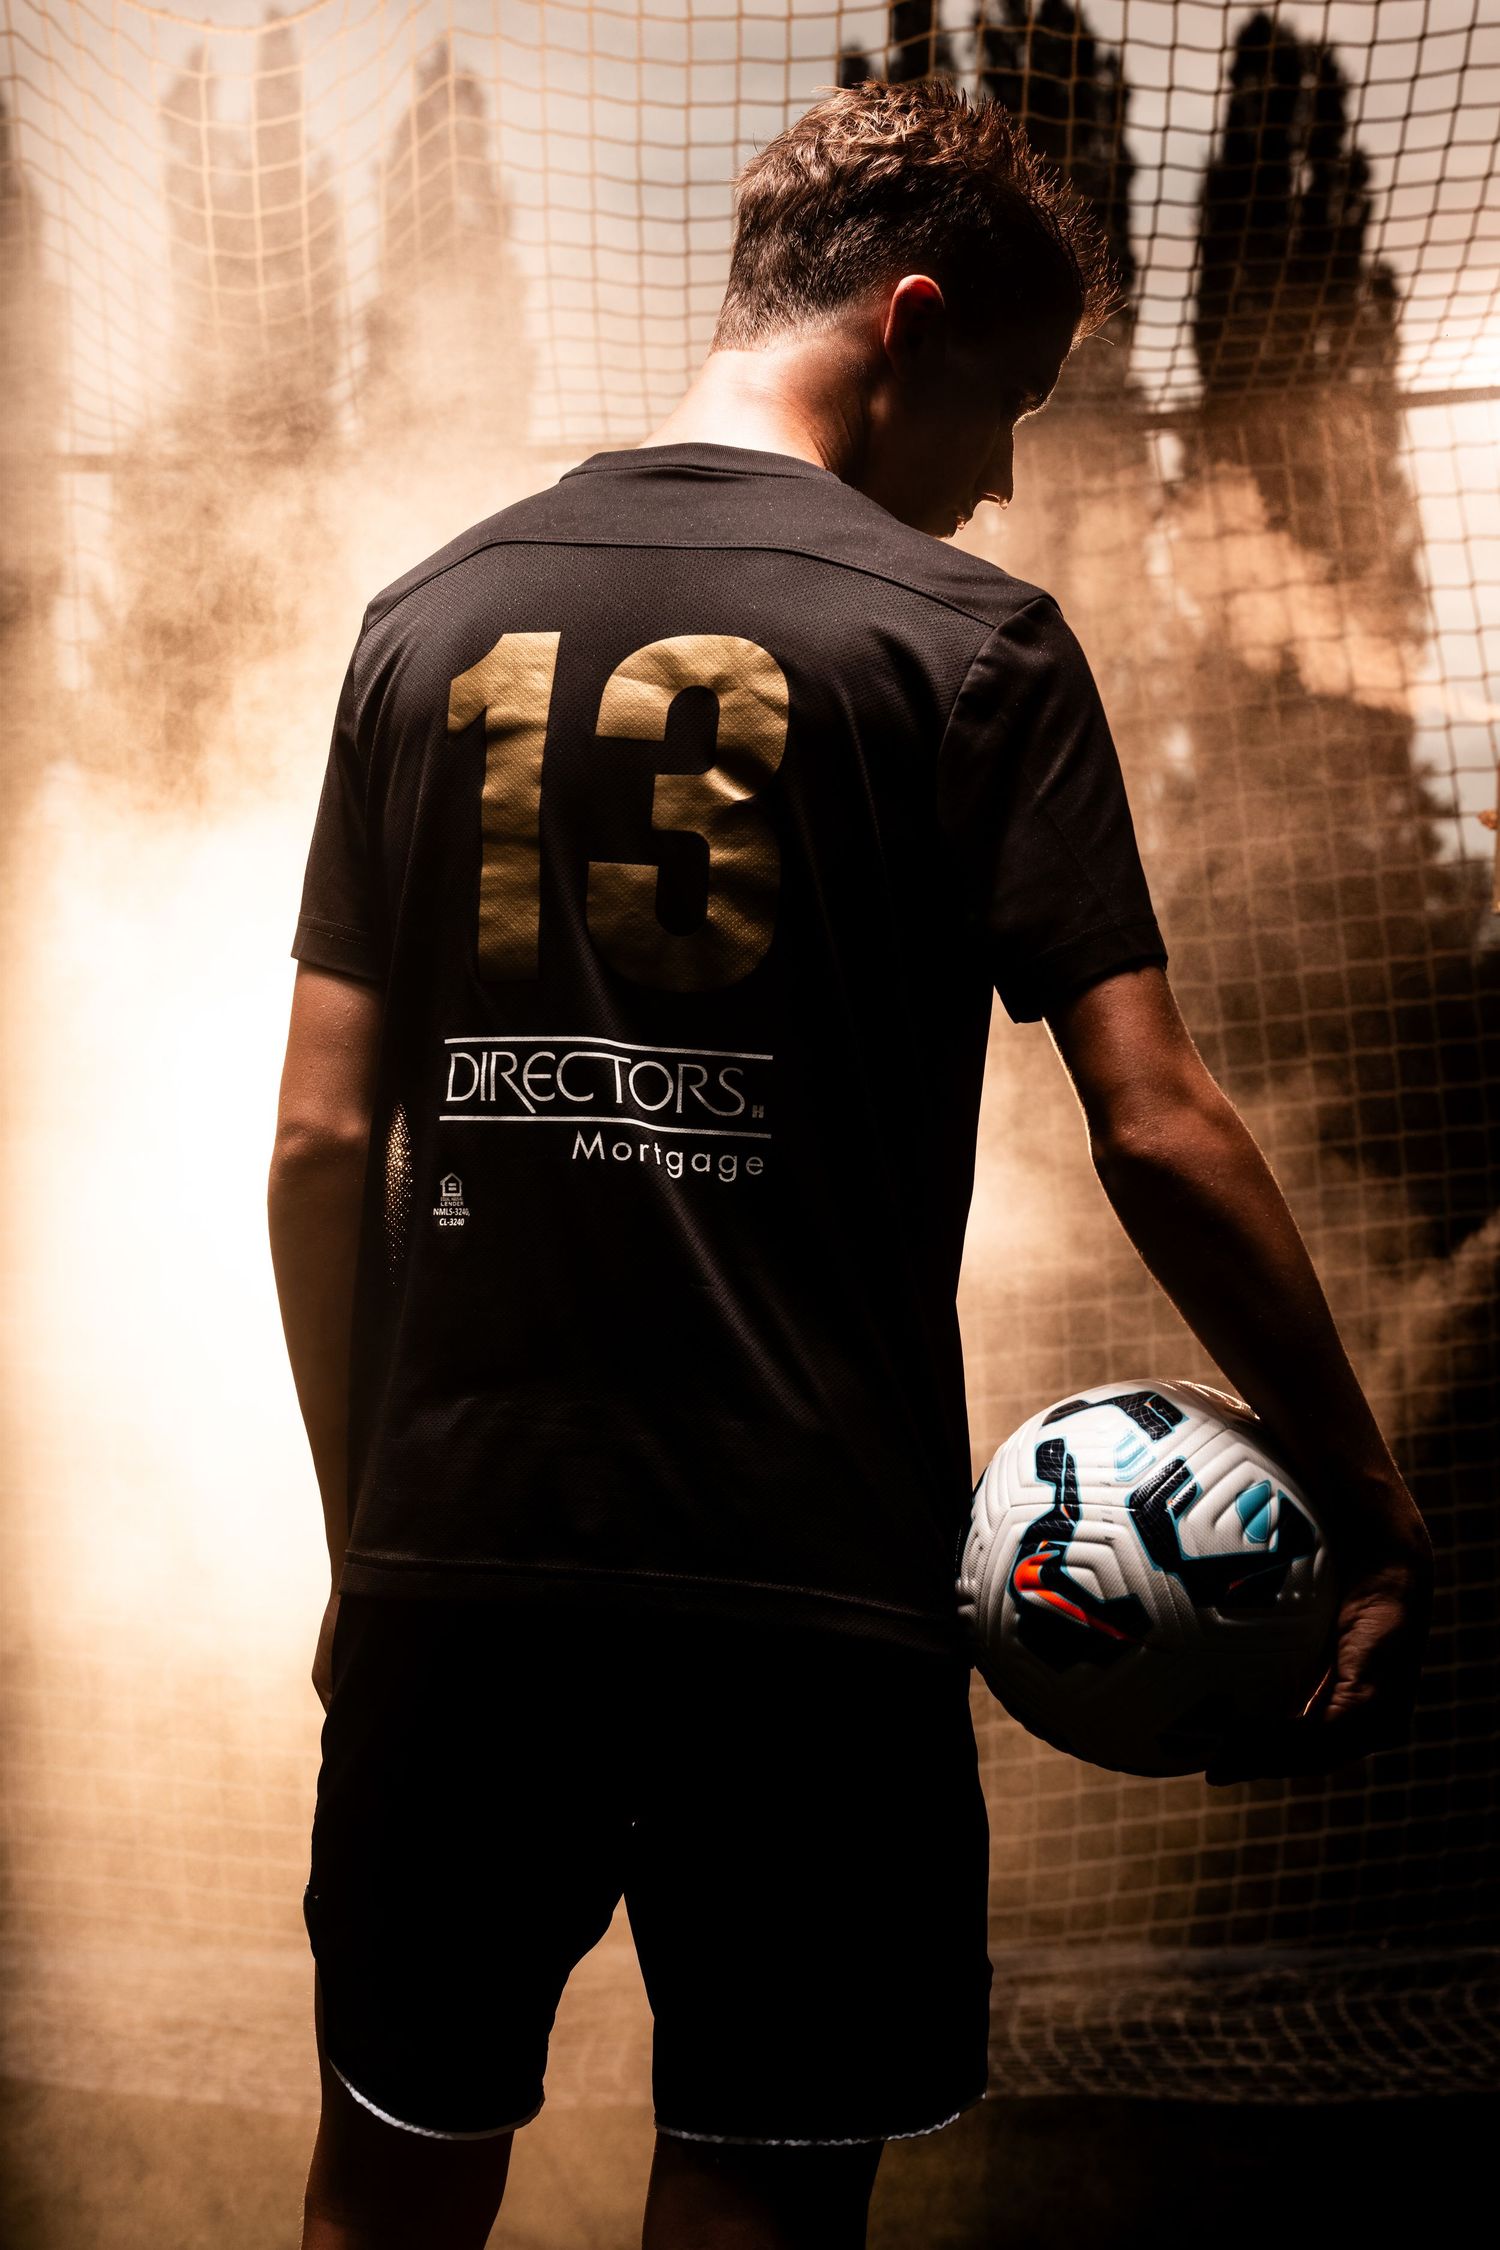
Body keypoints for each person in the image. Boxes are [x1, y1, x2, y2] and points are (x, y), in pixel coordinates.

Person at [267, 75, 1432, 2250]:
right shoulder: (969, 648)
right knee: (756, 2210)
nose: (997, 475)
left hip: (458, 1579)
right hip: (809, 1603)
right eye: (1007, 403)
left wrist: (375, 1547)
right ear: (908, 321)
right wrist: (1368, 1510)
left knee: (389, 2196)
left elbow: (325, 1139)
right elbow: (1158, 1120)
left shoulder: (417, 626)